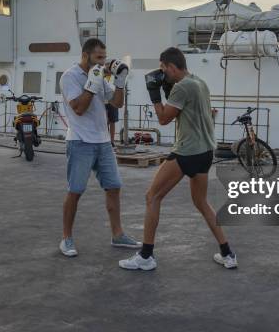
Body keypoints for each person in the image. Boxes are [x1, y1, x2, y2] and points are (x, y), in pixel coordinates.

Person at [119, 47, 237, 270]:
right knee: (201, 202)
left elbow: (163, 119)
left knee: (152, 197)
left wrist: (155, 94)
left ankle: (146, 256)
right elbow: (185, 111)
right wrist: (167, 89)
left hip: (187, 151)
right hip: (205, 152)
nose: (162, 73)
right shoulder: (199, 82)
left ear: (172, 67)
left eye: (164, 69)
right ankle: (227, 253)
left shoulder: (181, 87)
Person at [59, 38, 141, 257]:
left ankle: (118, 234)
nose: (103, 62)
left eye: (104, 57)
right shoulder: (70, 77)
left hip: (103, 142)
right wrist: (92, 83)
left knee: (114, 187)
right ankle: (66, 238)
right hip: (80, 141)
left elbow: (116, 102)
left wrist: (120, 82)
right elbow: (78, 108)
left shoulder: (98, 75)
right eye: (99, 58)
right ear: (86, 56)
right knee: (75, 190)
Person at [104, 73, 119, 147]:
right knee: (105, 121)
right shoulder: (100, 75)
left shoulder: (115, 77)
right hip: (103, 101)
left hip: (113, 100)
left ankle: (112, 141)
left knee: (112, 121)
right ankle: (105, 140)